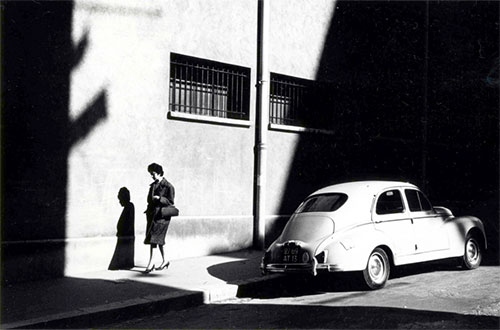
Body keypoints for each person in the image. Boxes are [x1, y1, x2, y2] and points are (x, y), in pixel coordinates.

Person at [144, 163, 175, 273]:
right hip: (153, 215)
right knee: (159, 240)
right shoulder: (153, 185)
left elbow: (170, 202)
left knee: (154, 238)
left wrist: (160, 198)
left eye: (153, 174)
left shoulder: (168, 186)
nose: (151, 176)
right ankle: (165, 260)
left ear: (159, 173)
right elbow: (149, 200)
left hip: (162, 216)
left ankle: (151, 263)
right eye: (150, 174)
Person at [108, 187, 135, 270]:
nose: (119, 202)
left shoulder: (129, 206)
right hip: (124, 234)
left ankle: (124, 264)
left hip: (126, 235)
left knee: (123, 251)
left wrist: (123, 232)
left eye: (120, 200)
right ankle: (124, 264)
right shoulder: (128, 207)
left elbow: (128, 222)